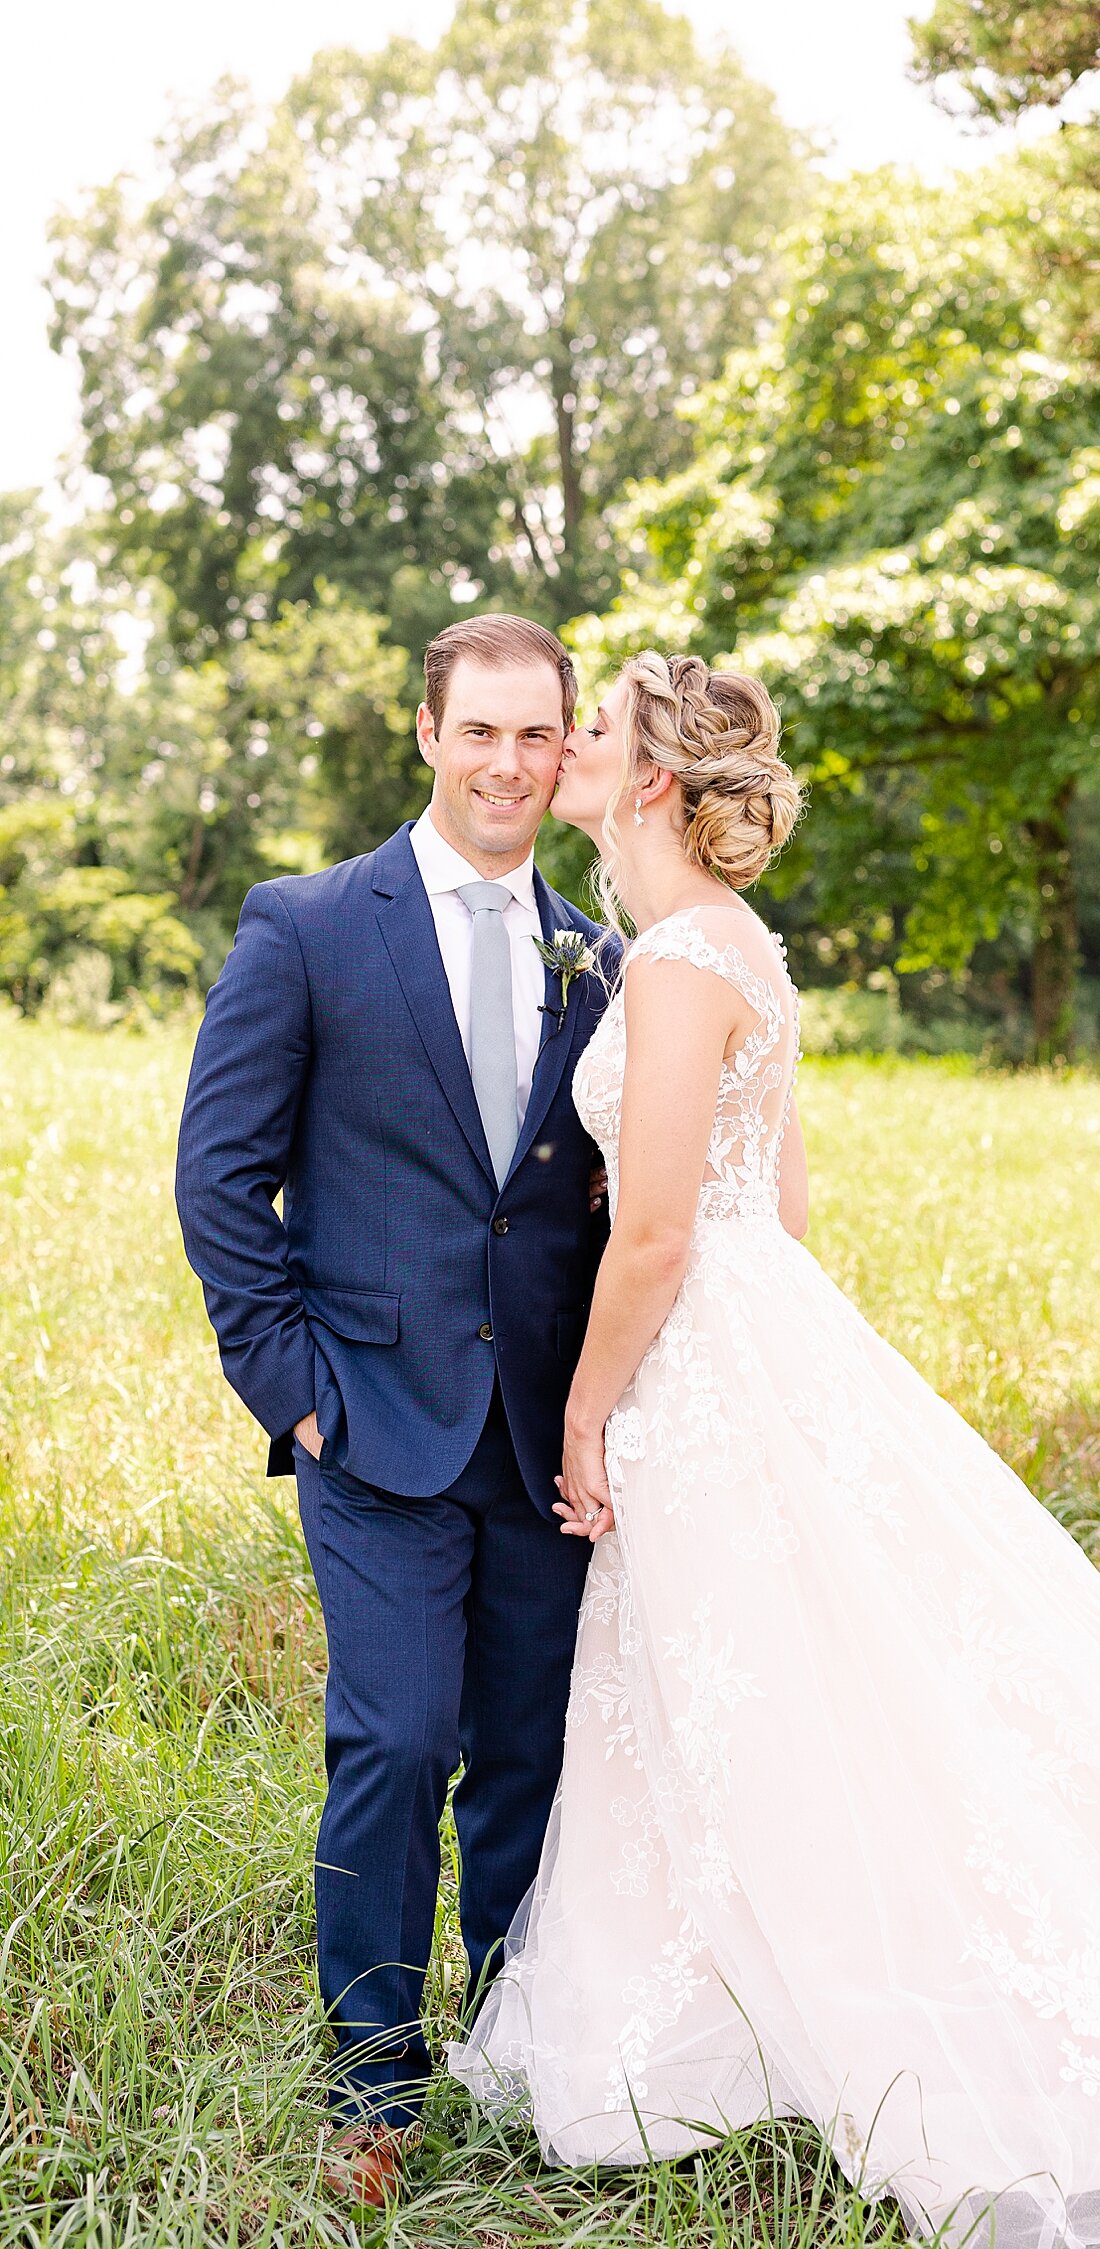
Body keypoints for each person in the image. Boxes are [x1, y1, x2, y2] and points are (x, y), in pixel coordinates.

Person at [452, 649, 1100, 2249]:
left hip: (698, 1349)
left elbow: (658, 1232)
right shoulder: (744, 950)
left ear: (652, 778)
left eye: (587, 731)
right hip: (771, 1340)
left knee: (745, 1676)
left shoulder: (670, 965)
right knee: (810, 1678)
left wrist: (591, 1404)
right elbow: (780, 1211)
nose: (561, 750)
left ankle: (773, 2001)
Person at [175, 613, 619, 2208]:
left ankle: (510, 2047)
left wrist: (611, 1413)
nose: (508, 763)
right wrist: (294, 1396)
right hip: (367, 1424)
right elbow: (220, 1179)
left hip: (544, 1438)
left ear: (570, 749)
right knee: (396, 1735)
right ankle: (375, 2081)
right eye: (479, 730)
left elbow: (610, 1213)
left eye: (537, 736)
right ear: (424, 732)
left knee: (528, 1751)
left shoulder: (607, 957)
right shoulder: (306, 926)